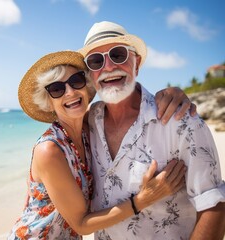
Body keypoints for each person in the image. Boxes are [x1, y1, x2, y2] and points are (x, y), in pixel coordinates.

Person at [8, 50, 189, 239]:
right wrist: (143, 200)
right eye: (56, 89)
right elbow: (81, 225)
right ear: (48, 102)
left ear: (86, 86)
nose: (70, 92)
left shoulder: (90, 128)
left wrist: (171, 94)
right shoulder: (50, 150)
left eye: (76, 81)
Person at [79, 21, 225, 239]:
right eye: (96, 61)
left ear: (136, 63)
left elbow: (215, 207)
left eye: (117, 55)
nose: (108, 67)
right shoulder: (86, 122)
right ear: (90, 75)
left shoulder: (181, 121)